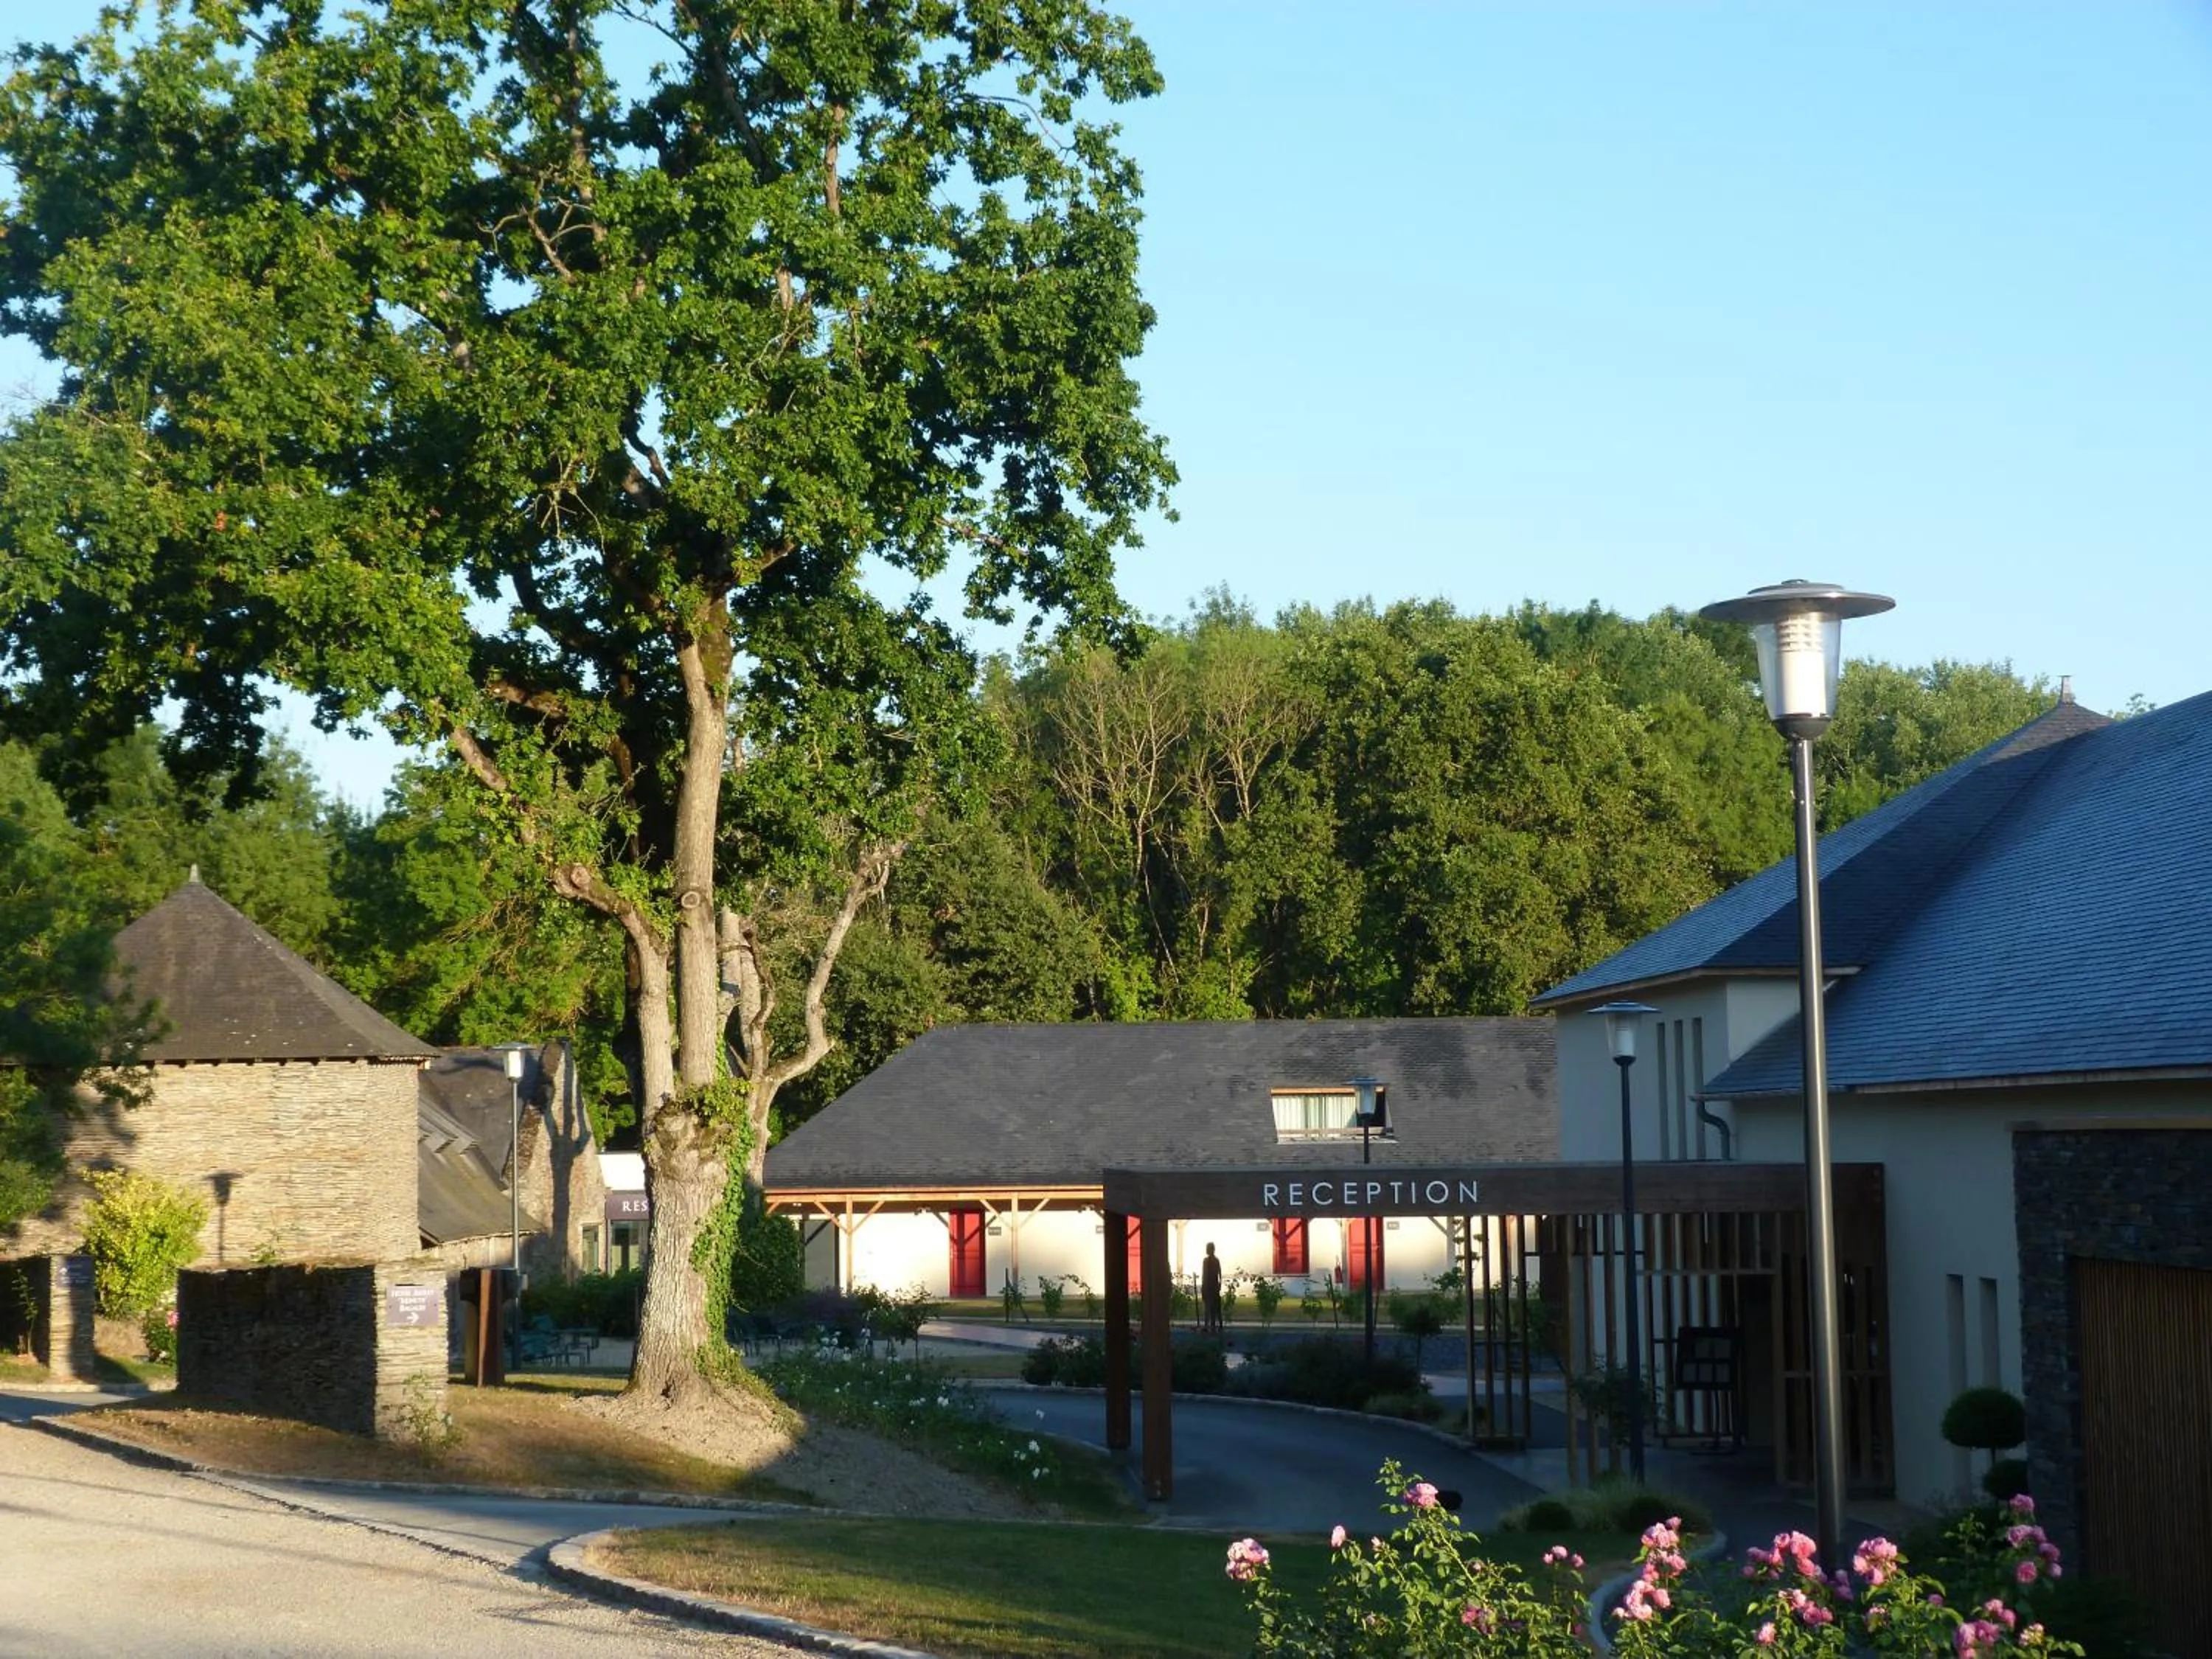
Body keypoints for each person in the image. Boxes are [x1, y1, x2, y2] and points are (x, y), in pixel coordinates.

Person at [1200, 1242, 1223, 1335]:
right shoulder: (1214, 1261)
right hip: (1212, 1286)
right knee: (1212, 1307)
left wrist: (1204, 1286)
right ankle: (1211, 1326)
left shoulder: (1208, 1261)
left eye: (1208, 1248)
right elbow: (1219, 1274)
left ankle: (1210, 1326)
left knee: (1211, 1307)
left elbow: (1205, 1275)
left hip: (1210, 1286)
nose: (1207, 1250)